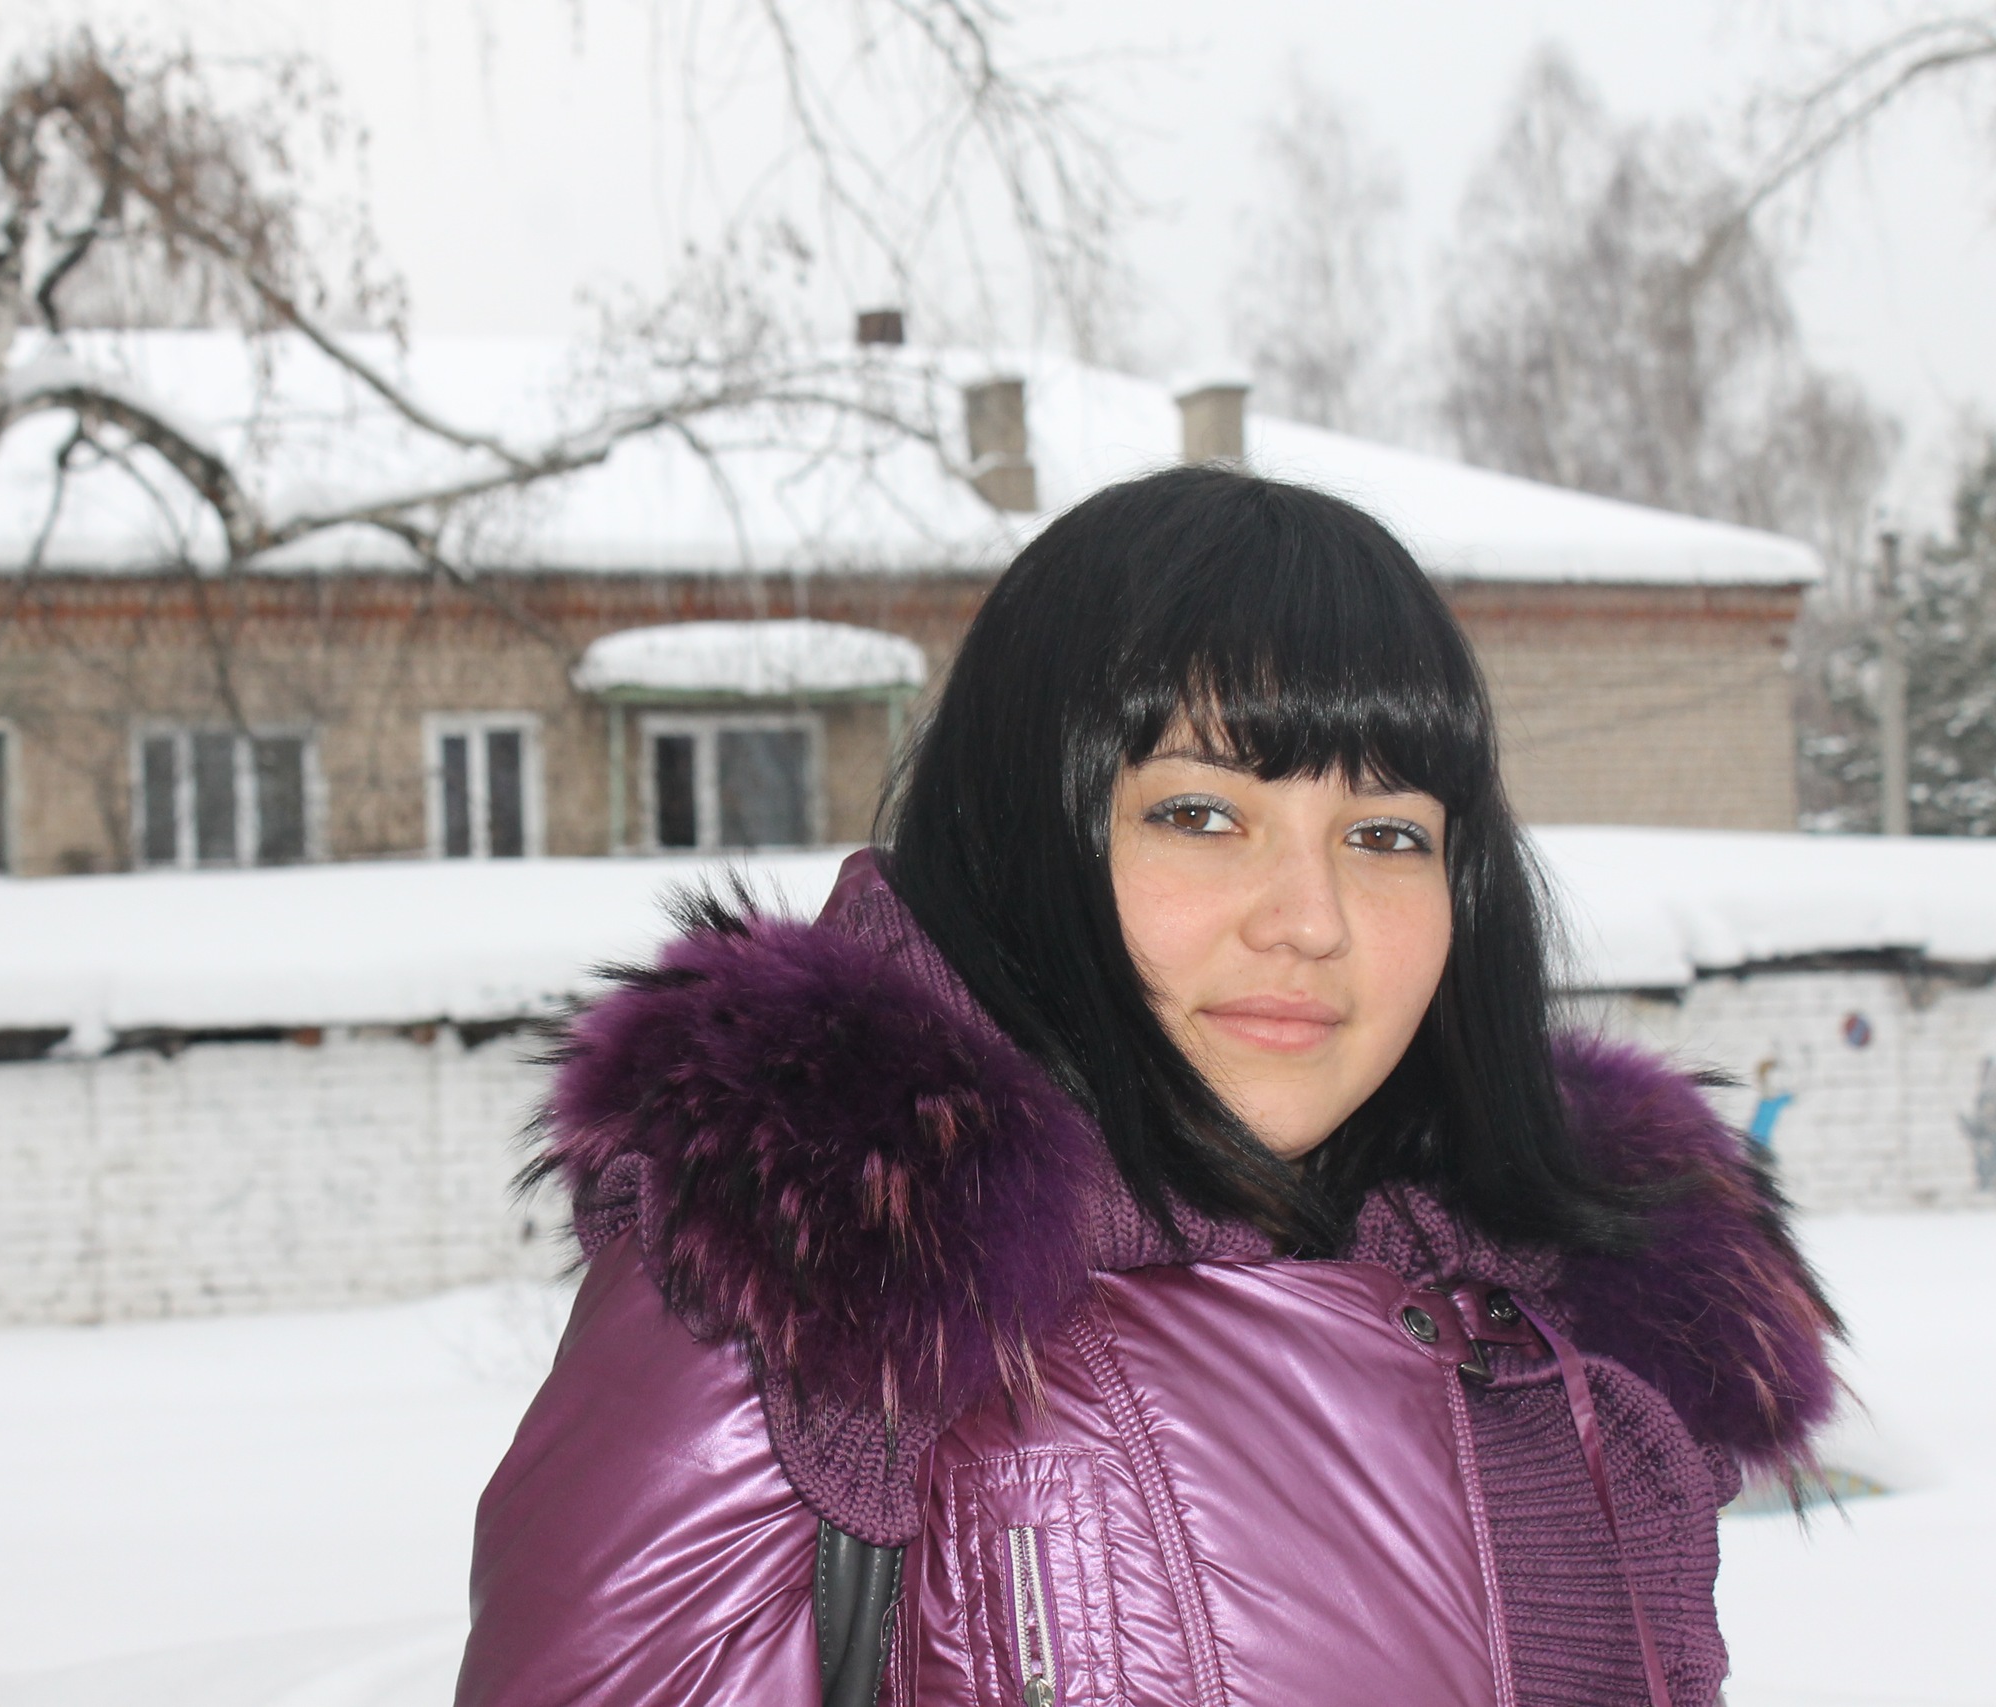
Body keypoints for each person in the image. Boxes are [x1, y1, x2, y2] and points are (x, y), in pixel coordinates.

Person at [456, 466, 1839, 1707]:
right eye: (1200, 814)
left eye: (1384, 834)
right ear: (1024, 834)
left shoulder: (1568, 1326)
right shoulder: (825, 1281)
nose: (1311, 920)